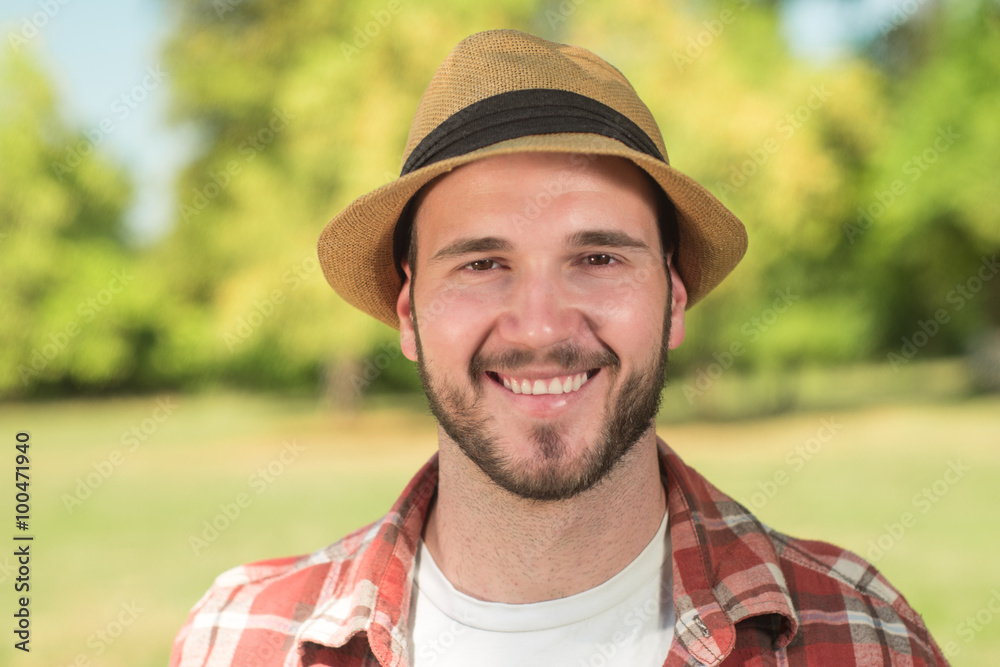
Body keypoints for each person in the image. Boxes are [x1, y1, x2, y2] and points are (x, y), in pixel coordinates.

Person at [171, 29, 949, 666]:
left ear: (673, 297)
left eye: (599, 257)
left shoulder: (862, 636)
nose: (540, 327)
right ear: (408, 313)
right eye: (482, 263)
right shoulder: (238, 641)